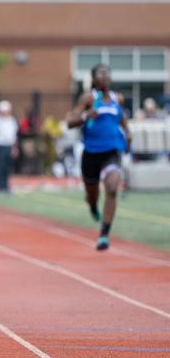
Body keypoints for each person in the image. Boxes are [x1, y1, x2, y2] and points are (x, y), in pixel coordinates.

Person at [66, 63, 131, 251]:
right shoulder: (88, 98)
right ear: (94, 79)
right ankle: (93, 205)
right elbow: (71, 121)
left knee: (111, 188)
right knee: (92, 194)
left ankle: (104, 234)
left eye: (107, 73)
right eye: (101, 74)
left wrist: (128, 134)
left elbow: (122, 120)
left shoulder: (117, 99)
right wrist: (86, 116)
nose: (105, 76)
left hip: (112, 150)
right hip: (91, 153)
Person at [0, 100, 19, 193]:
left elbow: (14, 135)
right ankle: (0, 186)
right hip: (0, 146)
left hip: (9, 145)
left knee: (7, 167)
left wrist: (14, 147)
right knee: (0, 166)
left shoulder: (12, 120)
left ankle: (6, 186)